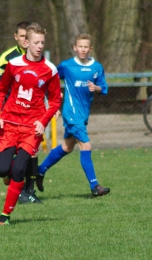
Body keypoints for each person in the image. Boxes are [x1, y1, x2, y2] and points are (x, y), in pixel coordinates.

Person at [0, 22, 61, 225]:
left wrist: (43, 121)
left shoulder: (50, 70)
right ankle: (12, 171)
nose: (39, 46)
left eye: (42, 42)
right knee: (2, 171)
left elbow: (55, 100)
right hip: (10, 124)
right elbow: (1, 91)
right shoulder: (14, 65)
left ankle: (5, 216)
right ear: (26, 42)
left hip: (32, 128)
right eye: (36, 42)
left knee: (19, 169)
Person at [36, 33, 110, 197]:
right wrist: (54, 99)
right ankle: (95, 186)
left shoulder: (96, 67)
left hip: (83, 114)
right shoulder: (67, 66)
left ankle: (40, 171)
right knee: (86, 146)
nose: (83, 50)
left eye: (86, 47)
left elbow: (103, 87)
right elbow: (50, 80)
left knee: (67, 147)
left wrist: (96, 88)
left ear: (90, 49)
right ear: (75, 48)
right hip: (71, 113)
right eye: (80, 47)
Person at [0, 21, 42, 203]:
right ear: (17, 37)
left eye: (26, 36)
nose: (25, 40)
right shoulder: (7, 58)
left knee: (32, 152)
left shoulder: (38, 58)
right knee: (4, 169)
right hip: (10, 115)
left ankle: (28, 192)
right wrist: (0, 115)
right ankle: (12, 175)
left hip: (31, 115)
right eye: (21, 36)